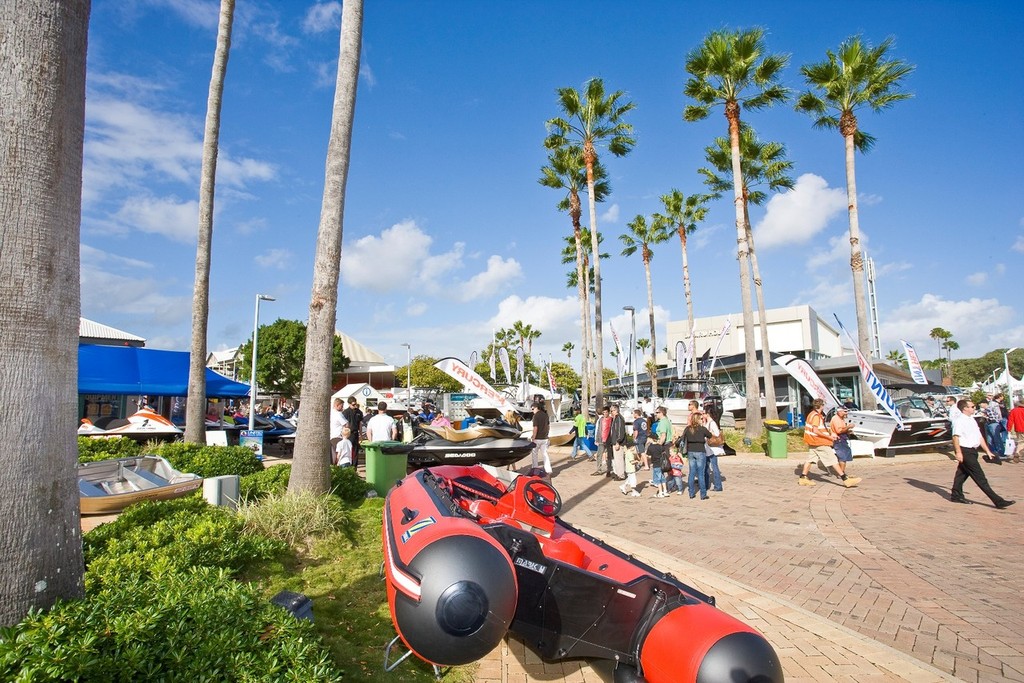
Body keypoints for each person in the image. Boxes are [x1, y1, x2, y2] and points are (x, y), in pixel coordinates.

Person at [950, 399, 1015, 508]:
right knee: (980, 477)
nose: (974, 408)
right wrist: (958, 452)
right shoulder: (959, 421)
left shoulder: (971, 420)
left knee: (962, 474)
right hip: (965, 450)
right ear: (965, 408)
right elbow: (955, 437)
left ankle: (956, 495)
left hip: (973, 451)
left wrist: (988, 451)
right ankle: (998, 501)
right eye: (972, 406)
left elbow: (979, 437)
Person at [798, 399, 861, 488]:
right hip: (819, 442)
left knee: (810, 459)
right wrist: (829, 437)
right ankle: (845, 479)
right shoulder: (816, 416)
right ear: (822, 406)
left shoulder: (811, 414)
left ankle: (803, 478)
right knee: (833, 460)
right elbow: (815, 430)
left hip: (812, 441)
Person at [691, 400, 724, 493]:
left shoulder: (712, 423)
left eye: (704, 413)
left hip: (712, 449)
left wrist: (709, 433)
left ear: (707, 414)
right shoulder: (707, 422)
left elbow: (717, 433)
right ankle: (706, 485)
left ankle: (717, 485)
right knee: (706, 467)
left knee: (714, 467)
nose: (702, 414)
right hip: (707, 449)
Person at [681, 412, 713, 500]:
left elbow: (683, 438)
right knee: (700, 474)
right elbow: (710, 435)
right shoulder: (702, 429)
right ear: (699, 420)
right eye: (701, 419)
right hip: (700, 451)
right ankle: (703, 494)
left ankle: (691, 493)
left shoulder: (688, 429)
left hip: (690, 451)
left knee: (691, 473)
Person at [649, 406, 673, 497]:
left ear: (661, 413)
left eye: (657, 413)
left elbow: (663, 435)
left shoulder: (663, 422)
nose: (656, 414)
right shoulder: (667, 420)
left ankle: (662, 488)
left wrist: (658, 446)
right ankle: (666, 486)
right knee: (666, 466)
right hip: (668, 444)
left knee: (663, 466)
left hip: (664, 445)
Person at [829, 405, 854, 476]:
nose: (846, 413)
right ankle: (841, 474)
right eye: (845, 411)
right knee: (843, 457)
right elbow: (839, 431)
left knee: (844, 456)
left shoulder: (841, 418)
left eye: (847, 411)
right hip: (838, 440)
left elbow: (842, 429)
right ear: (839, 411)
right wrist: (848, 427)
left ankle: (841, 472)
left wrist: (848, 431)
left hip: (841, 439)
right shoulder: (836, 419)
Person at [529, 401, 552, 477]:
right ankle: (548, 470)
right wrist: (547, 435)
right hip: (544, 438)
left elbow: (535, 427)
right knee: (545, 454)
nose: (532, 411)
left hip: (537, 438)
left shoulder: (536, 416)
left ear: (536, 408)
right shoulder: (545, 415)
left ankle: (535, 469)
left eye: (532, 409)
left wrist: (533, 437)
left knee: (534, 454)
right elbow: (548, 426)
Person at [341, 398, 363, 466]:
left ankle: (354, 468)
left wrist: (360, 435)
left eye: (355, 404)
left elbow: (360, 424)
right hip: (348, 434)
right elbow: (343, 425)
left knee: (355, 451)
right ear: (349, 404)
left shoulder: (359, 412)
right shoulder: (345, 412)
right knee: (348, 451)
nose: (354, 406)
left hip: (355, 433)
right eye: (353, 404)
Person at [591, 406, 611, 476]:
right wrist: (597, 439)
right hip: (601, 440)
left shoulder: (611, 419)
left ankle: (609, 470)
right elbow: (598, 430)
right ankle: (599, 470)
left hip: (609, 440)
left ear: (608, 412)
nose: (605, 414)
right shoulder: (601, 420)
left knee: (609, 456)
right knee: (599, 455)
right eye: (604, 412)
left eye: (606, 412)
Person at [1006, 398, 1024, 464]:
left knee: (1020, 442)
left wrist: (1009, 429)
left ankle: (1017, 452)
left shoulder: (1014, 410)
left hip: (1018, 428)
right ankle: (1018, 453)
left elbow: (1010, 421)